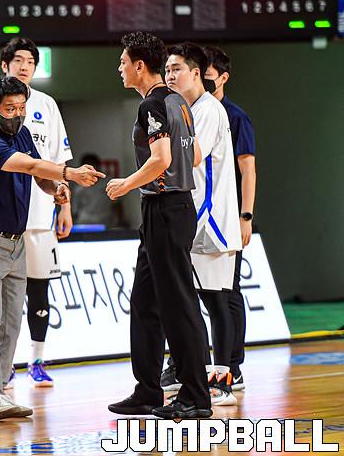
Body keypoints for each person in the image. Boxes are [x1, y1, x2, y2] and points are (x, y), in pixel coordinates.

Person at [0, 75, 104, 421]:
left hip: (18, 240)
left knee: (11, 323)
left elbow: (39, 175)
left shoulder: (23, 133)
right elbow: (28, 165)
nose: (18, 114)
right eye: (10, 109)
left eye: (22, 107)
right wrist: (69, 173)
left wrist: (56, 189)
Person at [105, 31, 211, 419]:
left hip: (166, 209)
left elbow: (162, 158)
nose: (119, 68)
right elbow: (193, 155)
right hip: (170, 208)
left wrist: (125, 184)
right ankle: (148, 390)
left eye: (123, 62)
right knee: (145, 302)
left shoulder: (152, 104)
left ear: (139, 65)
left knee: (177, 304)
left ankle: (196, 396)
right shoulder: (178, 101)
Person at [0, 38, 73, 387]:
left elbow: (47, 166)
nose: (25, 66)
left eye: (31, 61)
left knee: (23, 307)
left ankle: (31, 362)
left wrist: (60, 195)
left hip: (31, 224)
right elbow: (26, 165)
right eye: (19, 60)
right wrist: (69, 175)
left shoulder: (38, 114)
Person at [164, 42, 241, 406]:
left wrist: (159, 148)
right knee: (187, 301)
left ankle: (224, 380)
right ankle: (184, 370)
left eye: (176, 69)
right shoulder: (184, 109)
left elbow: (194, 156)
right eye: (167, 70)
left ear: (196, 73)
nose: (170, 75)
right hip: (190, 217)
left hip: (210, 220)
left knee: (216, 299)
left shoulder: (208, 109)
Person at [204, 45, 256, 390]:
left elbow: (248, 170)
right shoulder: (192, 112)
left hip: (227, 218)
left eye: (208, 74)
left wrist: (245, 216)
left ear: (223, 78)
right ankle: (185, 364)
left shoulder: (235, 117)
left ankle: (232, 367)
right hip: (199, 218)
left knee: (228, 291)